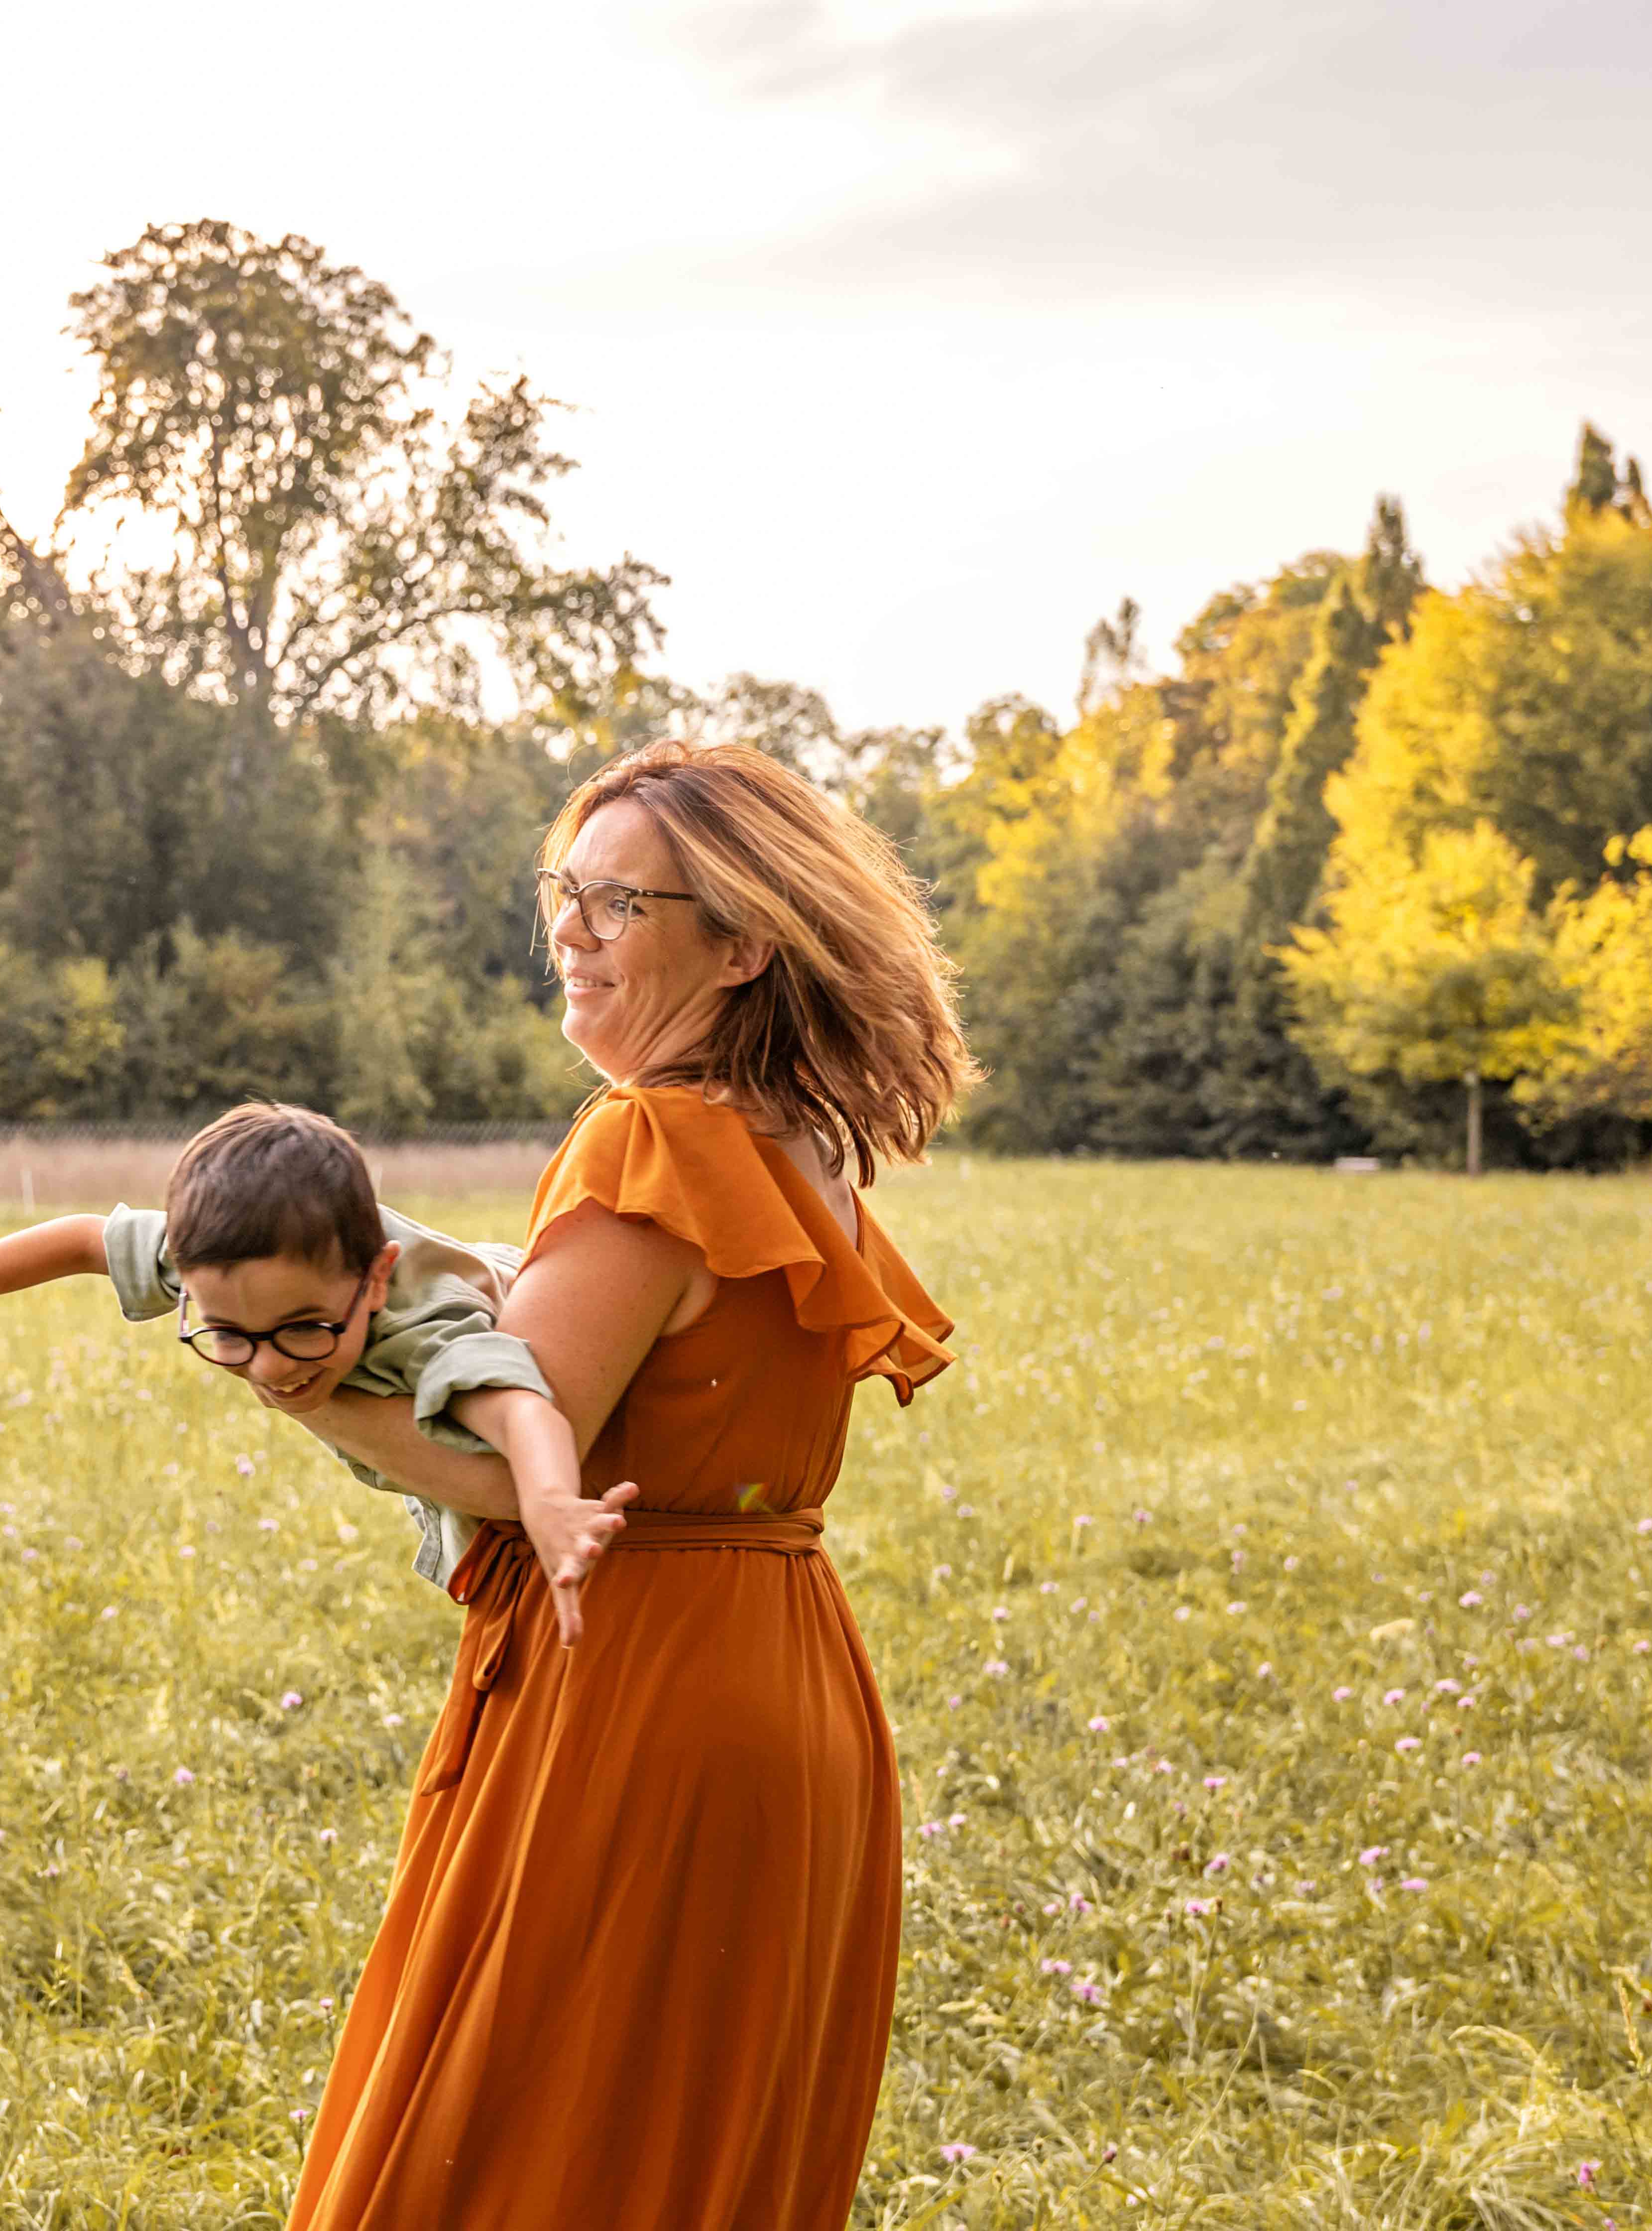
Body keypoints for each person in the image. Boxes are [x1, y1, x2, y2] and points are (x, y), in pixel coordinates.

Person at [276, 738, 976, 2231]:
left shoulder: (655, 1140)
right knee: (687, 2149)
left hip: (637, 1683)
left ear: (740, 945)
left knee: (518, 2139)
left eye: (620, 902)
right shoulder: (802, 1146)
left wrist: (296, 1382)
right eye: (564, 891)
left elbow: (489, 1467)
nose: (571, 933)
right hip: (787, 1678)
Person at [0, 1102, 640, 1642]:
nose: (266, 1367)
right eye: (229, 1336)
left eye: (302, 1331)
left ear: (372, 1280)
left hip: (521, 1295)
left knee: (490, 1485)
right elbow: (77, 1241)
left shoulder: (422, 1323)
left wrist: (552, 1500)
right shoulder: (219, 1253)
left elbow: (522, 1406)